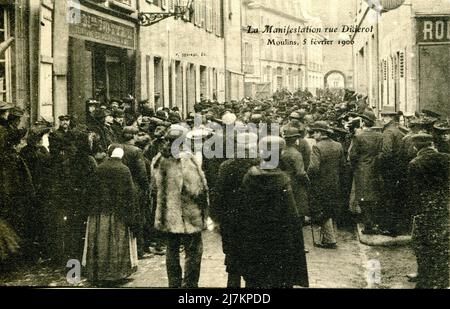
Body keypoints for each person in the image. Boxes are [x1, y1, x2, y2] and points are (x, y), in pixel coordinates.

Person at [240, 135, 308, 288]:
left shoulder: (249, 176)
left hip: (254, 237)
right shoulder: (282, 180)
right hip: (279, 240)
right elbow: (291, 216)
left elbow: (243, 208)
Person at [151, 126, 209, 288]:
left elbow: (154, 187)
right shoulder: (185, 159)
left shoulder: (159, 159)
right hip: (187, 215)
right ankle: (190, 285)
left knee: (172, 249)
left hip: (167, 213)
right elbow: (195, 188)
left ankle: (174, 283)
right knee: (194, 251)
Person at [83, 147, 138, 287]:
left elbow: (90, 190)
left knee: (99, 243)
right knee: (115, 243)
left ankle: (98, 273)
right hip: (117, 214)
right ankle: (115, 274)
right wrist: (132, 216)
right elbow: (130, 194)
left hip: (99, 213)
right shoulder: (124, 170)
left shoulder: (99, 168)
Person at [215, 133, 259, 288]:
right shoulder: (259, 165)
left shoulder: (226, 166)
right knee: (253, 262)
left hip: (231, 220)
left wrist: (217, 220)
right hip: (254, 220)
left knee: (233, 263)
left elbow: (218, 195)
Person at [408, 133, 449, 289]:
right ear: (431, 144)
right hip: (444, 206)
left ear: (415, 146)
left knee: (421, 243)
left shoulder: (415, 163)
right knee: (443, 243)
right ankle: (444, 278)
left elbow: (413, 190)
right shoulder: (446, 158)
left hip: (424, 208)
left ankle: (425, 278)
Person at [308, 121, 346, 249]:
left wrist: (310, 178)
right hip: (334, 182)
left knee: (322, 210)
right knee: (331, 209)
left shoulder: (317, 147)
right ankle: (329, 237)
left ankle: (330, 240)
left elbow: (313, 167)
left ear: (320, 133)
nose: (313, 135)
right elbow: (343, 166)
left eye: (314, 133)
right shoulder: (338, 145)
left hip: (320, 183)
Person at [349, 110, 382, 234]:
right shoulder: (380, 135)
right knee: (374, 196)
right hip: (376, 168)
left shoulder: (359, 136)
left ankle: (368, 225)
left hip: (362, 169)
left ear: (364, 122)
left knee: (363, 198)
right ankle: (373, 222)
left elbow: (353, 155)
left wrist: (355, 166)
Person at [377, 110, 406, 236]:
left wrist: (377, 159)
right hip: (397, 168)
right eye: (382, 115)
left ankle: (389, 228)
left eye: (386, 116)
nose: (383, 118)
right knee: (394, 197)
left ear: (391, 118)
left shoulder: (388, 132)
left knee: (387, 197)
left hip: (388, 169)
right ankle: (393, 227)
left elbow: (386, 153)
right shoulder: (398, 130)